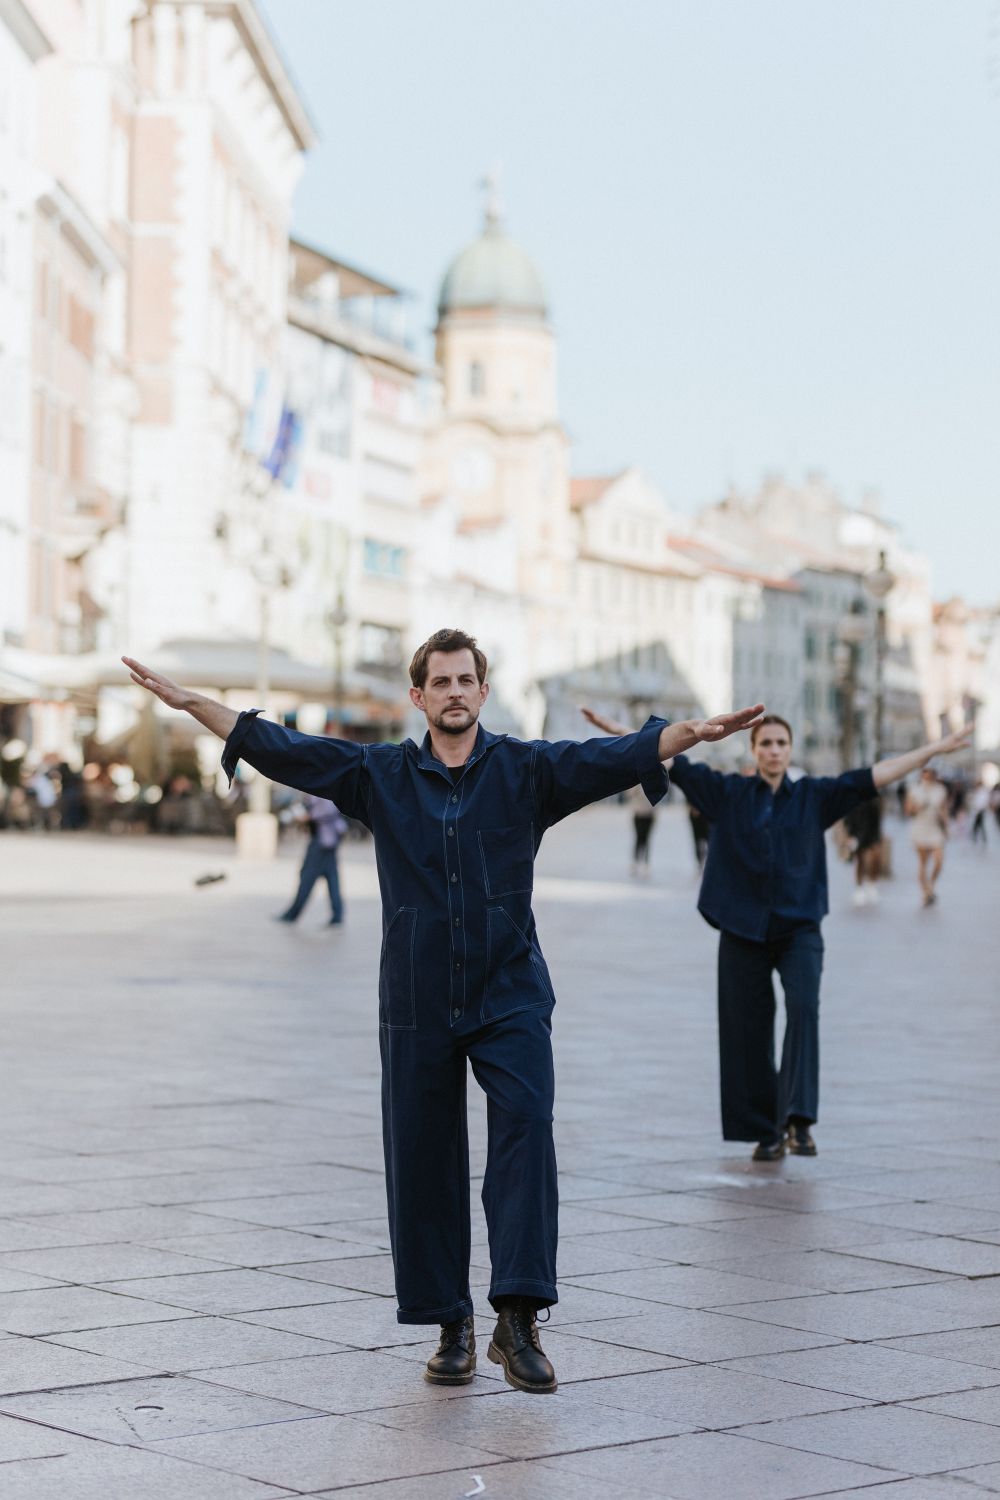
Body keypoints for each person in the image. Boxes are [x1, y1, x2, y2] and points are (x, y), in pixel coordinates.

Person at [123, 631, 763, 1395]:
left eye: (468, 679)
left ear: (483, 693)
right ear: (419, 697)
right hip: (418, 998)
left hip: (510, 991)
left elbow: (607, 758)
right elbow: (290, 750)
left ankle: (518, 1319)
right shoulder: (379, 775)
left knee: (527, 1123)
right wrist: (200, 706)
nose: (456, 691)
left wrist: (681, 735)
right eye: (441, 681)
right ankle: (450, 1324)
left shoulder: (525, 771)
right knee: (423, 1157)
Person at [582, 707, 971, 1162]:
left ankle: (798, 1121)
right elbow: (669, 754)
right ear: (754, 750)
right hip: (742, 927)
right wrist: (620, 732)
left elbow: (876, 775)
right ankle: (766, 1130)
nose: (773, 750)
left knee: (804, 1008)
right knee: (746, 1027)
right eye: (765, 743)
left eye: (781, 743)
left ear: (789, 751)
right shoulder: (727, 792)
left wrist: (934, 750)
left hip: (798, 927)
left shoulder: (815, 795)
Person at [277, 794, 347, 925]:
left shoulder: (324, 781)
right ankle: (337, 914)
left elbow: (329, 809)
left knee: (308, 876)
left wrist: (308, 816)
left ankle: (293, 913)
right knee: (331, 877)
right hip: (327, 839)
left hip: (323, 839)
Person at [906, 767, 950, 905]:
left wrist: (947, 826)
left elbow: (944, 809)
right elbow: (908, 811)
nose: (928, 774)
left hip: (935, 828)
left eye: (931, 772)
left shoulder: (940, 790)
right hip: (920, 827)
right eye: (926, 771)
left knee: (938, 861)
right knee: (923, 863)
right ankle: (926, 892)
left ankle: (931, 885)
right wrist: (917, 807)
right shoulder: (914, 789)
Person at [843, 794, 883, 906]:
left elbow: (877, 817)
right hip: (857, 832)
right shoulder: (852, 799)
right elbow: (847, 818)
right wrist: (849, 835)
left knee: (875, 858)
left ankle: (872, 884)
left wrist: (878, 836)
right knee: (860, 861)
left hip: (872, 832)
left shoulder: (873, 798)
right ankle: (859, 888)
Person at [625, 781, 656, 877]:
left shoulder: (653, 780)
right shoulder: (636, 781)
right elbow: (629, 794)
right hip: (638, 813)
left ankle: (646, 864)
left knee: (646, 839)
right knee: (638, 838)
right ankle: (636, 862)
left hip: (649, 813)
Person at [970, 781, 990, 847]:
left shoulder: (983, 792)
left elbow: (983, 801)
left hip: (981, 810)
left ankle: (978, 837)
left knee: (979, 824)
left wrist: (980, 808)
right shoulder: (978, 791)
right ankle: (978, 836)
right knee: (979, 824)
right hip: (978, 810)